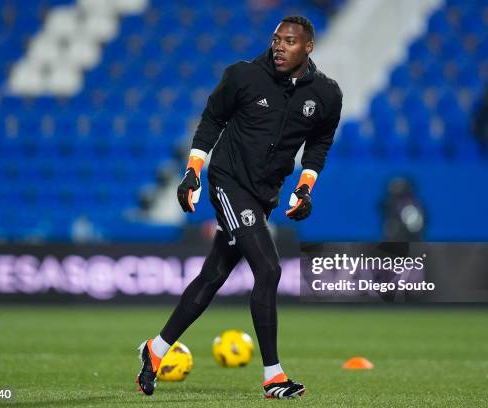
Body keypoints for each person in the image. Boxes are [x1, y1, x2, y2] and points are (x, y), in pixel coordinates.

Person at [136, 15, 342, 399]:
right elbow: (211, 121)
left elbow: (319, 144)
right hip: (229, 183)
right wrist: (192, 172)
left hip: (265, 194)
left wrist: (305, 186)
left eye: (290, 41)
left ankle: (156, 349)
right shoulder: (244, 76)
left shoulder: (326, 95)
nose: (279, 46)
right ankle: (273, 377)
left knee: (212, 277)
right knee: (268, 268)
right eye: (276, 39)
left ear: (308, 47)